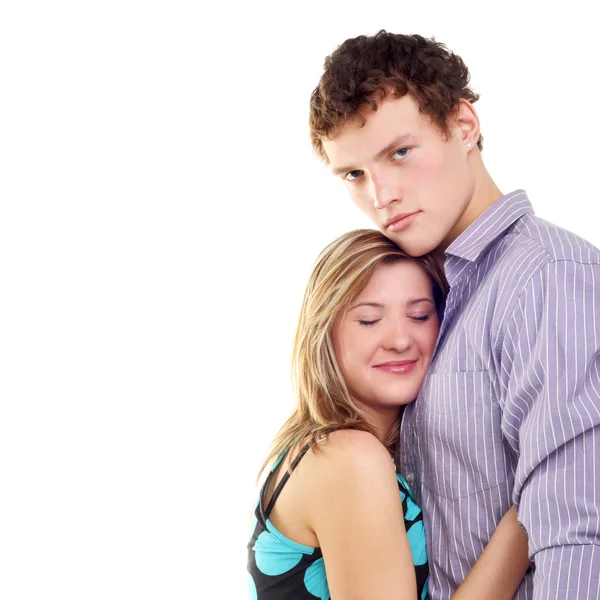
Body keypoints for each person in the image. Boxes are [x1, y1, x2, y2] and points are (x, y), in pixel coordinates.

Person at [308, 30, 600, 599]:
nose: (381, 194)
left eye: (399, 152)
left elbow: (579, 539)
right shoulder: (427, 295)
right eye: (354, 175)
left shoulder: (547, 279)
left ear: (464, 125)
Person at [247, 229, 529, 599]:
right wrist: (534, 504)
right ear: (323, 333)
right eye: (368, 320)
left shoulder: (344, 451)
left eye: (419, 315)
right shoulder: (348, 458)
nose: (399, 339)